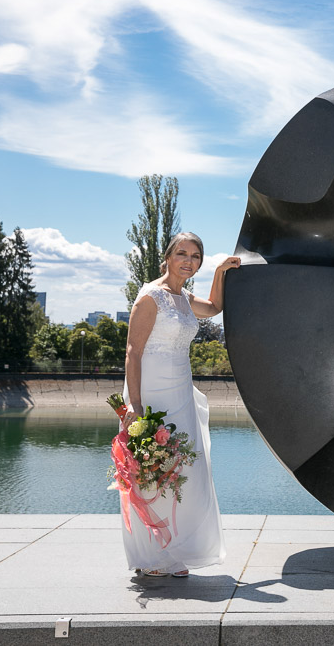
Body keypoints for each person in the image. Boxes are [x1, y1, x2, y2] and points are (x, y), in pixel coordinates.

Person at [121, 232, 241, 577]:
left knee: (183, 471)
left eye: (196, 256)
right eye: (182, 254)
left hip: (181, 394)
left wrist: (220, 272)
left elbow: (215, 307)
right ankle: (153, 557)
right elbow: (133, 352)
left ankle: (175, 551)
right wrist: (136, 405)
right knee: (151, 473)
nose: (189, 261)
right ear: (168, 257)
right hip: (151, 394)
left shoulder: (185, 298)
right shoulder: (150, 297)